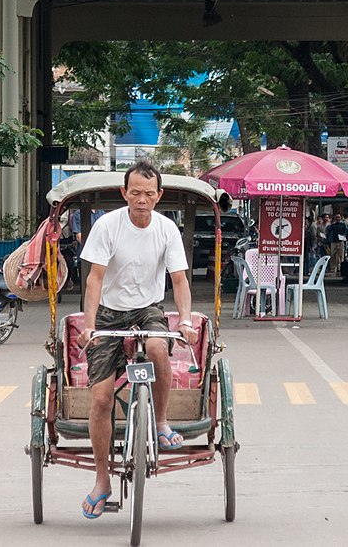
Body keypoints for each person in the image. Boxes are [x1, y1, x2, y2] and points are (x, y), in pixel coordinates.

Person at [76, 160, 197, 519]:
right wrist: (90, 325)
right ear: (124, 194)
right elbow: (94, 279)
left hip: (148, 309)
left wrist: (186, 320)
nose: (141, 200)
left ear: (159, 196)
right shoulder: (107, 226)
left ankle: (160, 422)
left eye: (148, 194)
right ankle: (102, 481)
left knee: (159, 346)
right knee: (99, 399)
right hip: (111, 312)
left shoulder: (166, 230)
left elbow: (179, 281)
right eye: (135, 193)